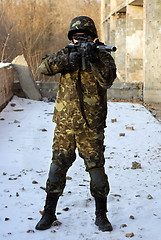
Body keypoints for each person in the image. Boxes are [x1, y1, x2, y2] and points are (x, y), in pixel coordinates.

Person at [35, 16, 116, 232]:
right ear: (71, 38)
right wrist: (66, 60)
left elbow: (107, 80)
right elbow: (43, 67)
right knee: (56, 168)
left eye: (85, 37)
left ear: (93, 37)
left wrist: (95, 60)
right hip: (65, 125)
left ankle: (101, 215)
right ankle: (49, 212)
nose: (81, 40)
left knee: (97, 170)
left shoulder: (102, 56)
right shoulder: (66, 53)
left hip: (91, 126)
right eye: (77, 37)